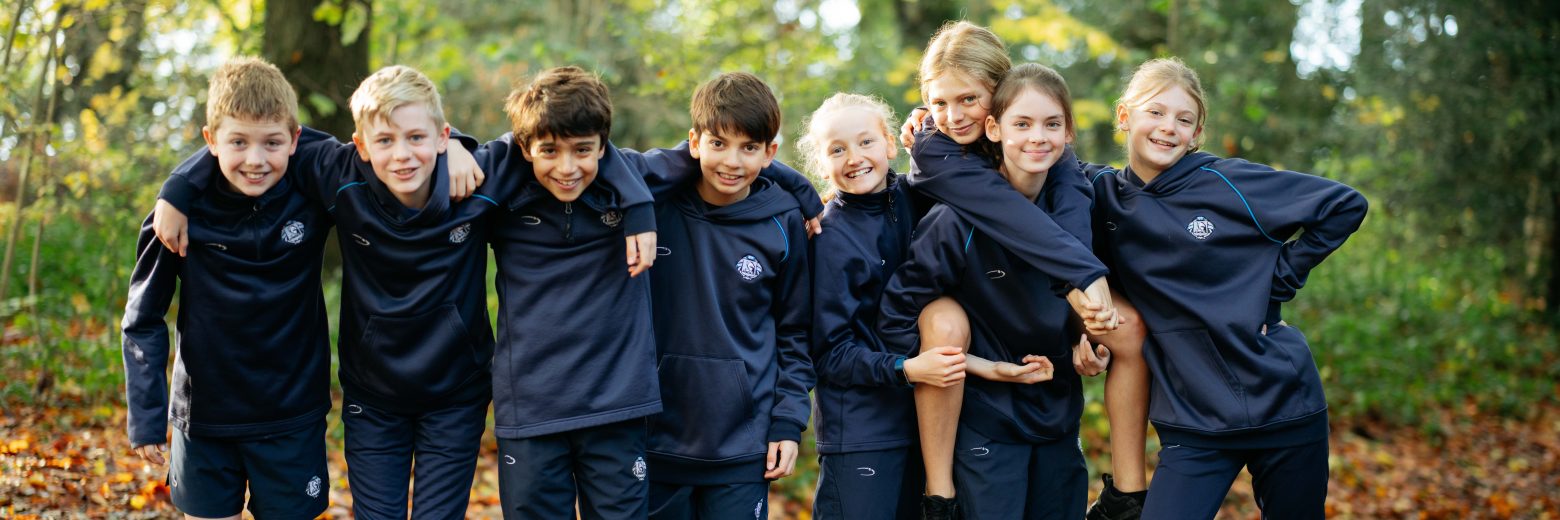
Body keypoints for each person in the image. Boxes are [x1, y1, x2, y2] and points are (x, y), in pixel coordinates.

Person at [897, 21, 1129, 519]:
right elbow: (1010, 217)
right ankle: (938, 495)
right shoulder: (936, 149)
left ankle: (1129, 490)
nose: (953, 117)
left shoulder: (1051, 158)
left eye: (968, 100)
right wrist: (1083, 279)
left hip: (1045, 385)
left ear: (999, 97)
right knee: (945, 320)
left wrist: (1083, 333)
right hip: (970, 363)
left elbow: (1067, 208)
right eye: (939, 103)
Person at [121, 56, 332, 520]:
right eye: (238, 142)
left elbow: (361, 154)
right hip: (204, 420)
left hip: (291, 416)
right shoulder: (176, 219)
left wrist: (179, 177)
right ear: (210, 141)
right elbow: (142, 318)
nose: (255, 160)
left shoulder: (312, 193)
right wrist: (147, 417)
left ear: (295, 140)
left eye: (272, 142)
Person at [477, 65, 662, 519]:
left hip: (618, 404)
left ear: (604, 146)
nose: (566, 167)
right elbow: (425, 160)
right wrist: (468, 149)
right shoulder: (502, 188)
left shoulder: (631, 179)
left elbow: (719, 158)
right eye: (549, 151)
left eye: (583, 150)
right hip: (531, 406)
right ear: (524, 148)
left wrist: (802, 191)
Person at [635, 72, 814, 520]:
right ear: (693, 143)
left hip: (742, 444)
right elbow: (598, 164)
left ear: (770, 153)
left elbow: (796, 332)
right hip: (654, 438)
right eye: (718, 143)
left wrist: (788, 422)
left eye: (749, 147)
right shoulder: (651, 207)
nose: (732, 161)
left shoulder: (785, 223)